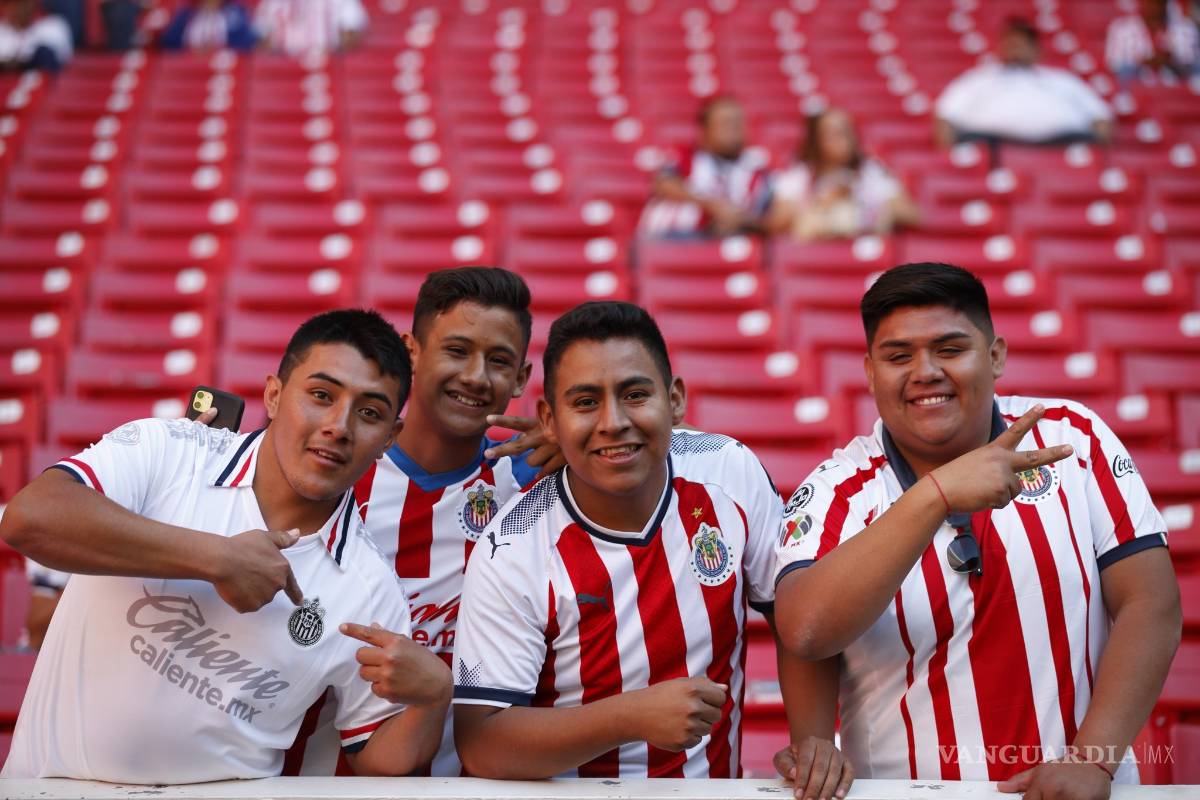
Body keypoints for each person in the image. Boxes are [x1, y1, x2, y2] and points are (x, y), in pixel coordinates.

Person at [772, 263, 1181, 799]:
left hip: (1075, 792)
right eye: (899, 357)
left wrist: (1091, 762)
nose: (925, 372)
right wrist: (936, 495)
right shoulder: (837, 490)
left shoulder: (1075, 438)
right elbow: (805, 630)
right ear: (870, 373)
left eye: (949, 349)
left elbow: (1152, 604)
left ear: (995, 356)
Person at [0, 309, 452, 783]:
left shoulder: (372, 589)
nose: (340, 426)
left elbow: (375, 755)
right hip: (49, 790)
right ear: (274, 395)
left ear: (389, 438)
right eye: (321, 395)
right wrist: (215, 557)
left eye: (370, 413)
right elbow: (30, 519)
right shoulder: (168, 450)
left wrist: (434, 697)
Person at [451, 301, 851, 793]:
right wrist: (631, 716)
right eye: (585, 402)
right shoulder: (511, 546)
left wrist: (811, 740)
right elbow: (482, 741)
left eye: (634, 394)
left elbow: (797, 617)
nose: (613, 421)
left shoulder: (729, 470)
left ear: (676, 399)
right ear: (548, 419)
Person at [284, 266, 562, 777]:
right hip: (318, 783)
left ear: (522, 379)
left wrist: (578, 436)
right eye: (457, 351)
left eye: (499, 361)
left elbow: (669, 448)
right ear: (412, 351)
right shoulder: (330, 468)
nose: (477, 376)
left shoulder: (539, 483)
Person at [935, 17, 1113, 148]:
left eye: (1022, 44)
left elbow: (1100, 117)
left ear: (1037, 50)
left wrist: (1097, 161)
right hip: (991, 147)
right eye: (1011, 44)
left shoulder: (1062, 80)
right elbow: (945, 115)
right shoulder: (979, 79)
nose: (1016, 49)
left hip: (1060, 149)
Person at [765, 107, 919, 241]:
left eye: (846, 131)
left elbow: (912, 216)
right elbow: (776, 224)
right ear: (816, 140)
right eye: (832, 133)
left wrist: (868, 203)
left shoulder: (872, 171)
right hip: (816, 258)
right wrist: (823, 202)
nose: (842, 139)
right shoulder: (798, 176)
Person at [639, 96, 771, 238]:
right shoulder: (684, 156)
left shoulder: (757, 168)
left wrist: (741, 221)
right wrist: (712, 206)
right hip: (672, 238)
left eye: (738, 123)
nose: (734, 129)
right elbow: (663, 184)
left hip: (731, 242)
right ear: (705, 130)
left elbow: (771, 219)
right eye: (726, 123)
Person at [1106, 0, 1200, 82]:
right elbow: (1114, 68)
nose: (1154, 8)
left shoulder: (1186, 29)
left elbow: (1194, 69)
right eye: (1150, 2)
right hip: (1137, 90)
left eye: (1158, 2)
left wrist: (1170, 61)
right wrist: (1144, 63)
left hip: (1176, 90)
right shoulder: (1122, 28)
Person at [254, 0, 366, 57]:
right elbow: (261, 39)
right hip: (283, 67)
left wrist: (326, 59)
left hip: (326, 63)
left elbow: (351, 34)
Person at [0, 0, 72, 72]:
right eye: (12, 4)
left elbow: (48, 60)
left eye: (23, 3)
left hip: (40, 80)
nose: (18, 9)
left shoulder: (54, 25)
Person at [161, 0, 258, 51]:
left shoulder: (235, 12)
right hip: (190, 64)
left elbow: (245, 42)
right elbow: (170, 43)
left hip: (224, 63)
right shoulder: (186, 13)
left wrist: (218, 48)